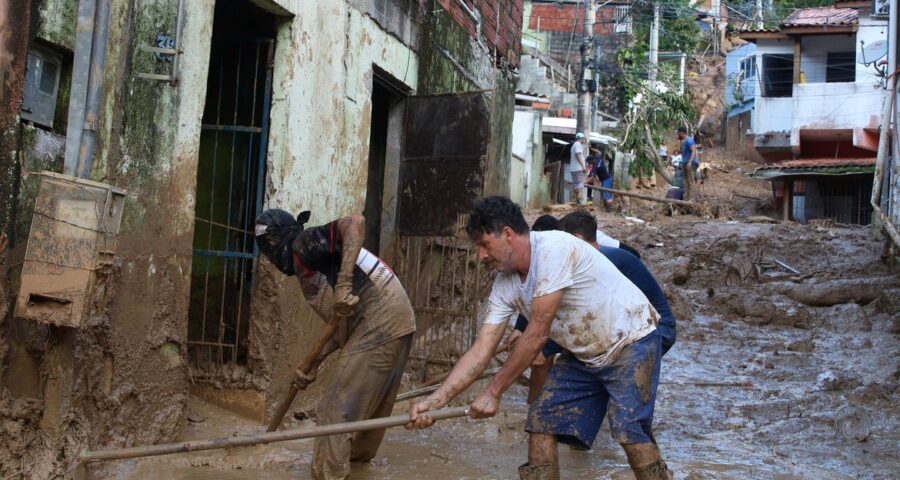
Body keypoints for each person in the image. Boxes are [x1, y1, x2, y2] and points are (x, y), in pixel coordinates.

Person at [407, 197, 670, 480]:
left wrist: (493, 392)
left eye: (484, 244)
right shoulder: (504, 285)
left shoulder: (553, 249)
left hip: (632, 340)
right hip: (585, 354)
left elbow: (536, 335)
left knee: (629, 431)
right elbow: (481, 350)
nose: (481, 255)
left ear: (507, 233)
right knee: (541, 421)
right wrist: (436, 401)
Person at [255, 209, 415, 480]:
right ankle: (358, 469)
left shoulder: (302, 244)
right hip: (397, 318)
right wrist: (314, 363)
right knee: (366, 413)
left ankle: (330, 475)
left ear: (276, 243)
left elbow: (355, 222)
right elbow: (342, 333)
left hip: (380, 315)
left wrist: (343, 284)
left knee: (333, 408)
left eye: (268, 250)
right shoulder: (310, 269)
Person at [677, 126, 698, 201]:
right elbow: (685, 153)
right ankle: (686, 199)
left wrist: (690, 162)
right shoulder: (684, 141)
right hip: (685, 163)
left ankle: (691, 199)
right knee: (685, 181)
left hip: (690, 164)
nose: (678, 135)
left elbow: (694, 151)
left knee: (690, 181)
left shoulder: (689, 140)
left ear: (682, 133)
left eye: (678, 133)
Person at [569, 133, 588, 204]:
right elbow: (578, 155)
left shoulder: (574, 145)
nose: (583, 140)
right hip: (577, 168)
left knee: (576, 184)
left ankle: (575, 200)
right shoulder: (578, 145)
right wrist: (583, 166)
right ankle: (578, 201)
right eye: (583, 139)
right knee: (579, 185)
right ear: (581, 138)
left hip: (574, 168)